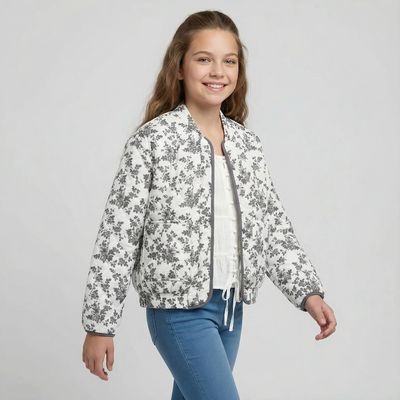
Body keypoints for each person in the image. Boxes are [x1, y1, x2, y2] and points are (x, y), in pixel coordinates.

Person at [81, 9, 337, 399]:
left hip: (231, 311)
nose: (218, 71)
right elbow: (118, 236)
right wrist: (100, 325)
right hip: (178, 312)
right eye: (204, 59)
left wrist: (308, 293)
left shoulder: (247, 146)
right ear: (179, 68)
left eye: (229, 61)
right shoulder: (153, 141)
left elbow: (273, 229)